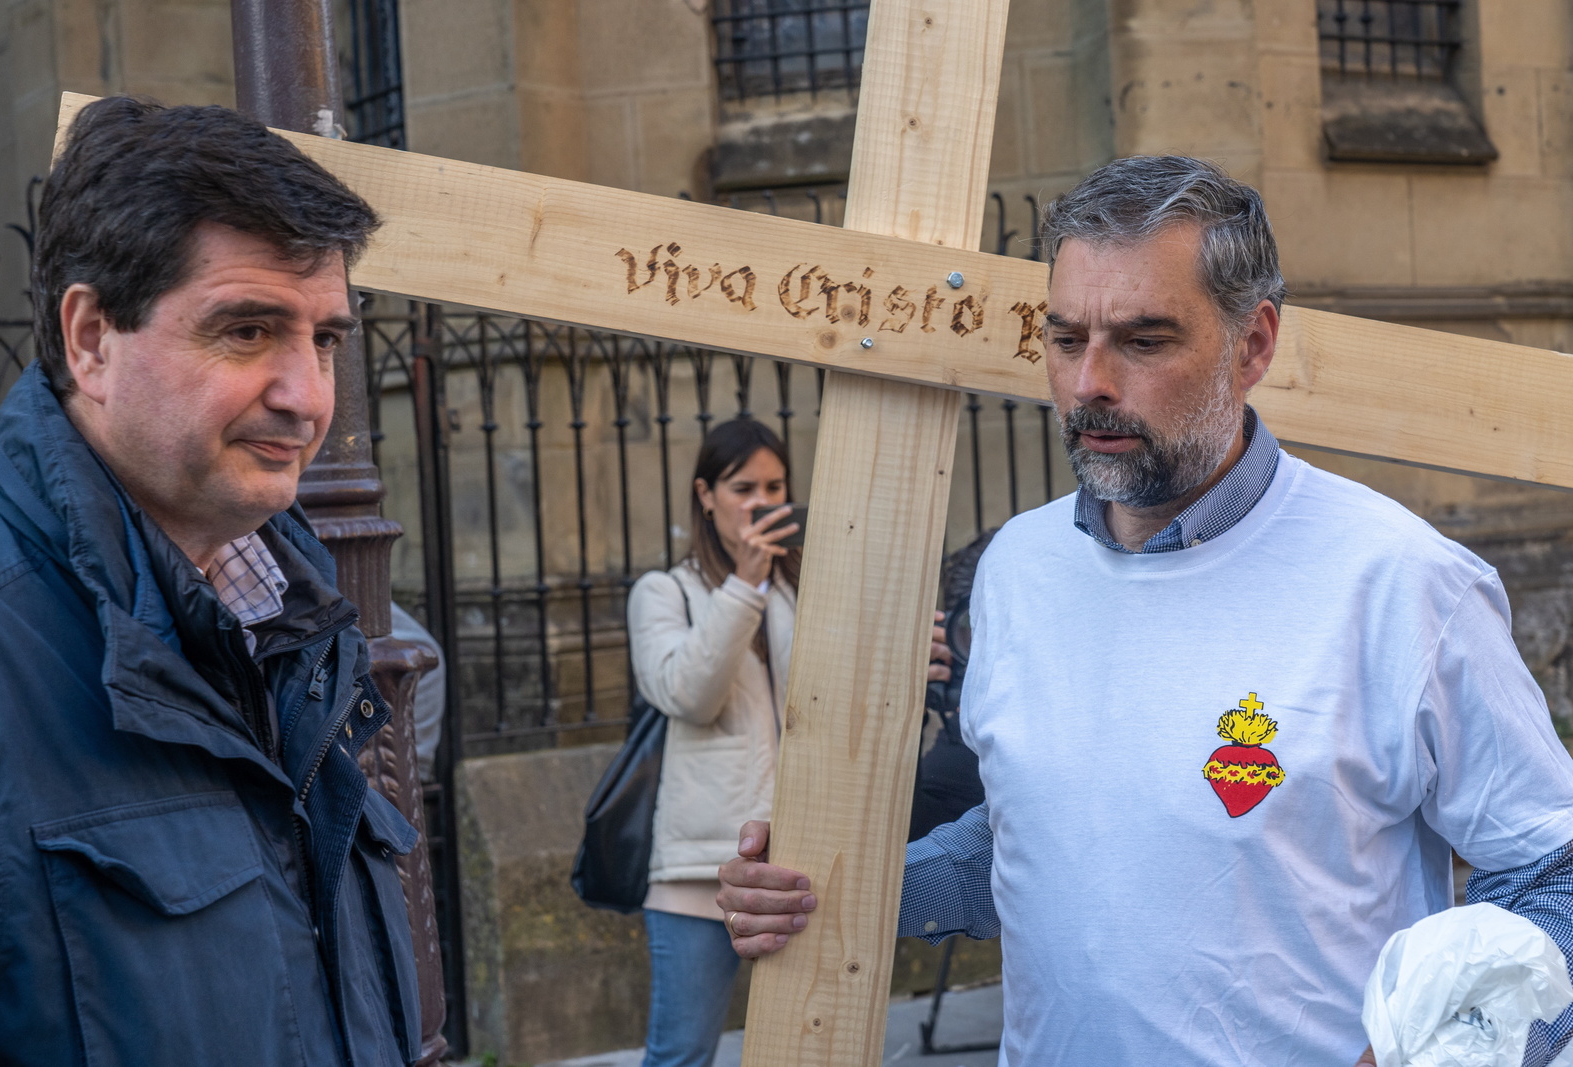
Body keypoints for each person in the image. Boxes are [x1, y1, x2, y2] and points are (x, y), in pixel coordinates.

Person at [716, 155, 1573, 1067]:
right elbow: (1030, 843)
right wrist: (827, 888)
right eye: (1066, 337)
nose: (1090, 382)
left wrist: (1438, 1051)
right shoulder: (1017, 570)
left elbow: (1554, 875)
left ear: (1254, 344)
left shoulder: (1402, 583)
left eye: (1144, 339)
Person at [0, 97, 422, 1065]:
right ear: (91, 338)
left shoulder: (299, 636)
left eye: (326, 338)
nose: (307, 396)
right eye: (248, 330)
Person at [627, 417, 949, 1066]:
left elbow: (847, 715)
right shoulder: (665, 592)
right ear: (705, 494)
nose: (762, 502)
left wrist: (906, 675)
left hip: (802, 860)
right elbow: (688, 692)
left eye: (776, 486)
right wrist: (744, 584)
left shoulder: (810, 592)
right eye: (744, 486)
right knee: (681, 1054)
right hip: (700, 867)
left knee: (817, 1046)